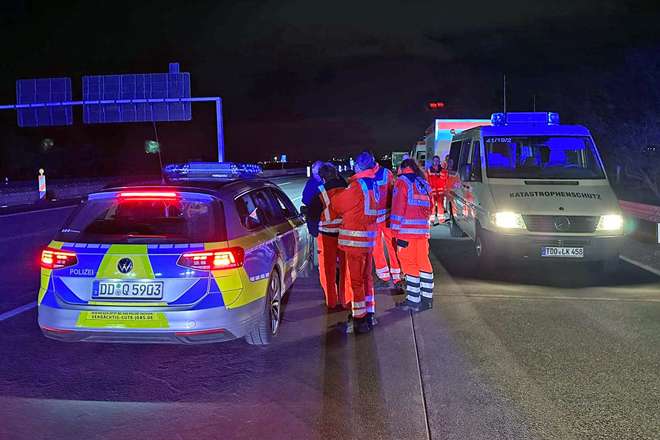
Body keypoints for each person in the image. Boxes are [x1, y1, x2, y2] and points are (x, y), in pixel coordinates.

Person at [331, 152, 379, 333]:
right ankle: (369, 314)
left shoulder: (358, 185)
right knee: (367, 278)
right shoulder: (372, 184)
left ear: (358, 166)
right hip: (368, 239)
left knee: (356, 280)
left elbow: (338, 204)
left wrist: (337, 193)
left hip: (355, 241)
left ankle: (359, 321)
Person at [391, 159, 434, 312]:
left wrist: (394, 231)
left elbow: (398, 207)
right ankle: (427, 299)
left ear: (403, 168)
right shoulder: (423, 183)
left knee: (409, 264)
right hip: (423, 233)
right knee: (423, 262)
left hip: (406, 232)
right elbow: (432, 207)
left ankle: (413, 300)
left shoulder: (402, 182)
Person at [307, 164, 349, 309]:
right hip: (346, 235)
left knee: (327, 270)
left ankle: (331, 301)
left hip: (326, 237)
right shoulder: (347, 189)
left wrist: (313, 232)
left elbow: (312, 215)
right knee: (346, 269)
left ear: (323, 178)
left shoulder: (321, 193)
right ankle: (347, 300)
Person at [368, 153, 403, 291]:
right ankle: (384, 277)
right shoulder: (367, 174)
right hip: (374, 220)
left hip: (386, 218)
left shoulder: (385, 173)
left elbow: (393, 193)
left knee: (392, 247)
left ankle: (397, 277)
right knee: (376, 249)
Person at [302, 160, 324, 236]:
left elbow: (306, 199)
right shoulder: (333, 180)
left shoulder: (312, 182)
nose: (315, 176)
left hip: (317, 219)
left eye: (316, 174)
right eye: (314, 174)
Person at [427, 155, 445, 226]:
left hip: (440, 191)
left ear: (439, 162)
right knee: (432, 205)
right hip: (432, 191)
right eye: (435, 160)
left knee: (441, 205)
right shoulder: (428, 170)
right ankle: (432, 219)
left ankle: (441, 220)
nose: (436, 162)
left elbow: (444, 178)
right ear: (432, 161)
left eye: (437, 161)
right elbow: (426, 179)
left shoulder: (442, 170)